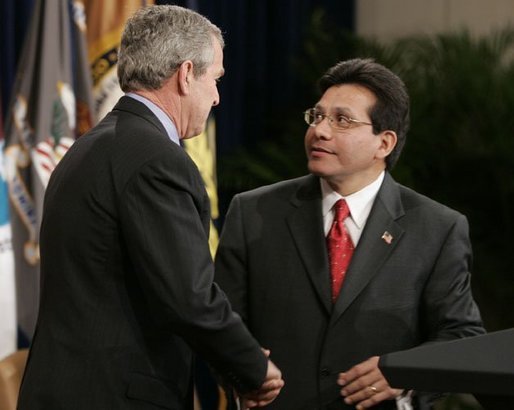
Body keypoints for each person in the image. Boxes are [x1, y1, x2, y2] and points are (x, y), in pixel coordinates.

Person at [17, 5, 284, 410]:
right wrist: (253, 369)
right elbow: (188, 296)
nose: (216, 98)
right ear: (186, 73)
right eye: (215, 80)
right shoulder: (156, 159)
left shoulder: (91, 147)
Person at [214, 58, 485, 409]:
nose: (320, 131)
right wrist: (241, 374)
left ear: (384, 143)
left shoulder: (437, 227)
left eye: (341, 120)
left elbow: (460, 336)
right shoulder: (254, 212)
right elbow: (219, 322)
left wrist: (405, 375)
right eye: (317, 116)